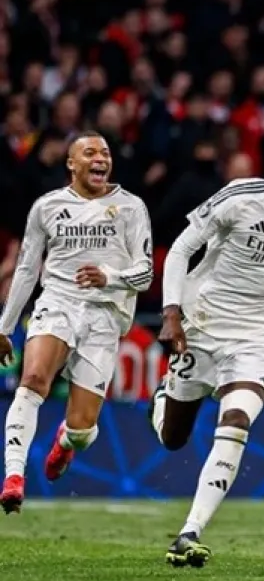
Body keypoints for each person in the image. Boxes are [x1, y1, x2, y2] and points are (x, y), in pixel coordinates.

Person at [149, 134, 264, 567]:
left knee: (236, 421)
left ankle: (190, 531)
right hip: (202, 325)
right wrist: (171, 313)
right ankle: (162, 398)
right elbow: (181, 249)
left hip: (256, 339)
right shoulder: (239, 198)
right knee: (172, 438)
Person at [0, 133, 152, 513]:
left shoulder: (131, 207)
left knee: (83, 430)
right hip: (57, 302)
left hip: (105, 314)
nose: (100, 158)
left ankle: (66, 443)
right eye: (90, 152)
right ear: (71, 164)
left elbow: (146, 272)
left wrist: (110, 277)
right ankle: (14, 476)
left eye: (105, 153)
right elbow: (26, 269)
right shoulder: (47, 207)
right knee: (33, 379)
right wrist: (4, 327)